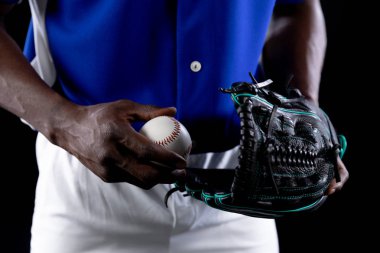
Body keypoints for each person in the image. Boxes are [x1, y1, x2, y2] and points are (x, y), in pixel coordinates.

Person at [0, 0, 348, 252]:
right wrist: (65, 123)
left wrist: (304, 111)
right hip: (88, 199)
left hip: (240, 192)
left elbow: (295, 6)